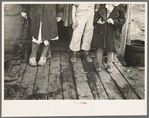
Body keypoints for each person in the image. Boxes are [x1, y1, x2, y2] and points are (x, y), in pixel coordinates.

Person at [92, 4, 126, 72]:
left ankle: (109, 65)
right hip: (101, 31)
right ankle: (98, 64)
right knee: (99, 48)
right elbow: (96, 17)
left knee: (110, 49)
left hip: (112, 32)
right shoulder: (102, 7)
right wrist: (98, 21)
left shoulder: (120, 9)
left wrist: (114, 21)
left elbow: (122, 20)